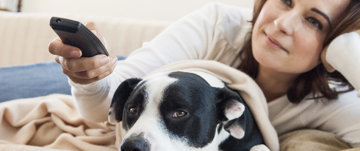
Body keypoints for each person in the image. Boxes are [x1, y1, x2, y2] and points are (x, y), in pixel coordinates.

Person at [48, 0, 360, 148]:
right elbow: (103, 108)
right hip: (135, 85)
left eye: (314, 22)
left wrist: (349, 52)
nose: (282, 24)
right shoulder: (217, 25)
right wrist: (89, 78)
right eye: (286, 1)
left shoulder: (337, 103)